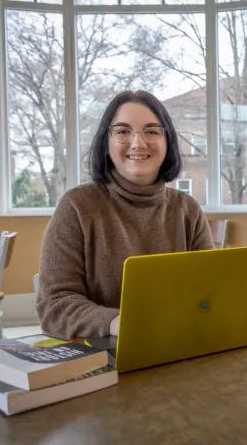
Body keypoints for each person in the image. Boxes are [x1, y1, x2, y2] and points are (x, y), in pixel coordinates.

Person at [35, 90, 215, 340]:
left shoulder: (188, 211)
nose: (138, 143)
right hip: (103, 356)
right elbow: (55, 307)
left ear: (167, 142)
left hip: (178, 347)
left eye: (152, 131)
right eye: (122, 131)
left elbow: (209, 296)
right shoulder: (76, 207)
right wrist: (120, 323)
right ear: (106, 144)